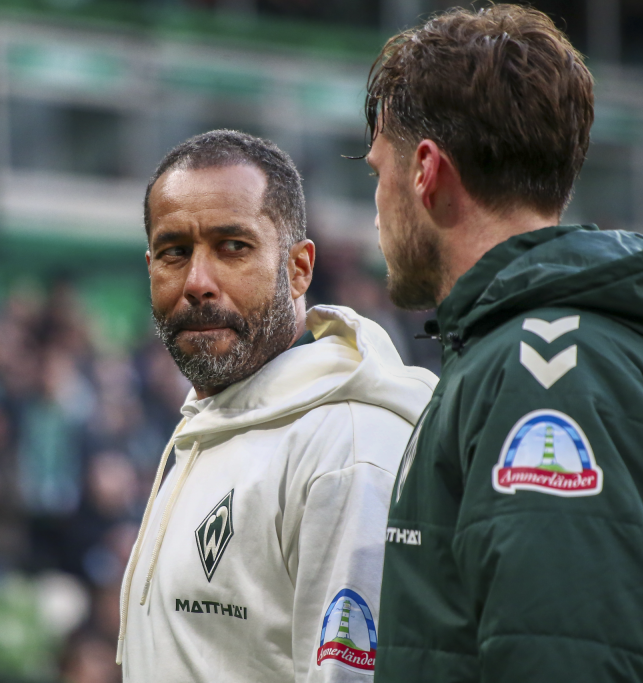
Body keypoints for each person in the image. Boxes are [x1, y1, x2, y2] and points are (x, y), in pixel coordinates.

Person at [362, 6, 643, 682]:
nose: (375, 205)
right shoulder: (524, 349)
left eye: (377, 173)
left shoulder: (547, 369)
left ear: (425, 170)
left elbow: (567, 658)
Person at [115, 130, 437, 681]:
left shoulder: (345, 449)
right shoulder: (210, 423)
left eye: (232, 247)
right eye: (174, 253)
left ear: (299, 269)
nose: (197, 282)